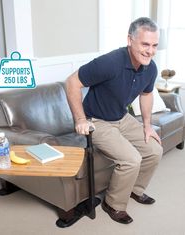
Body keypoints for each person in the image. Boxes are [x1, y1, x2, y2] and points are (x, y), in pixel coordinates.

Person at [65, 17, 163, 224]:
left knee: (154, 150)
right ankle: (113, 204)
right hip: (97, 121)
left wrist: (147, 125)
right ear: (130, 40)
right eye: (145, 44)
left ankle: (135, 189)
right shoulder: (110, 62)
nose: (150, 51)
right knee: (131, 159)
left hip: (122, 117)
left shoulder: (150, 67)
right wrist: (80, 119)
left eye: (154, 45)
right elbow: (72, 82)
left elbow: (146, 94)